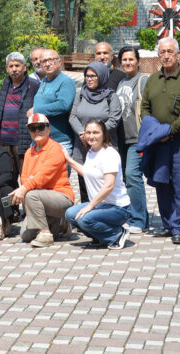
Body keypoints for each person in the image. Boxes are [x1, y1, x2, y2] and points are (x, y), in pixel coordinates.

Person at [140, 37, 180, 244]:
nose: (166, 55)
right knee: (162, 182)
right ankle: (168, 224)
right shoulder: (152, 79)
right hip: (159, 140)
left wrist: (171, 131)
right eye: (162, 52)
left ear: (178, 54)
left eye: (170, 52)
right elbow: (145, 107)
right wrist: (154, 130)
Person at [63, 119, 132, 249]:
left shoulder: (109, 154)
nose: (91, 136)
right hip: (101, 205)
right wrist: (68, 160)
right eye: (88, 132)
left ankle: (117, 235)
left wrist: (90, 206)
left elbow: (109, 185)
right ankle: (99, 236)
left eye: (96, 132)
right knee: (70, 214)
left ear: (104, 134)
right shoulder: (92, 152)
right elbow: (87, 172)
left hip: (118, 208)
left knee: (84, 218)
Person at [10, 113, 74, 247]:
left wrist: (27, 185)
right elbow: (24, 177)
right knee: (26, 235)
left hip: (61, 196)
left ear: (49, 129)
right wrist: (28, 183)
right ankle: (59, 225)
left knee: (31, 194)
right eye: (33, 128)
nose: (37, 131)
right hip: (40, 198)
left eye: (41, 127)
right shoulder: (29, 152)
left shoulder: (56, 149)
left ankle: (45, 233)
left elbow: (43, 176)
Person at [69, 61, 122, 202]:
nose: (89, 79)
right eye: (87, 75)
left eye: (93, 76)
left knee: (103, 183)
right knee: (84, 182)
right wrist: (83, 133)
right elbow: (73, 116)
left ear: (102, 77)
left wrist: (95, 134)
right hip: (82, 146)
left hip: (103, 147)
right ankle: (85, 214)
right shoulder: (80, 95)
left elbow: (114, 119)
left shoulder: (111, 96)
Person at [115, 46, 149, 233]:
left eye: (131, 59)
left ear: (138, 61)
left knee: (132, 176)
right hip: (123, 138)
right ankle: (135, 216)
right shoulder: (121, 82)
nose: (128, 63)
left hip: (138, 138)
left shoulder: (143, 81)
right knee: (127, 178)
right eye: (125, 60)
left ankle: (139, 220)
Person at [0, 52, 39, 174]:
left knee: (26, 177)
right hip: (5, 141)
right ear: (7, 69)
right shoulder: (5, 85)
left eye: (17, 66)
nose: (14, 69)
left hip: (23, 140)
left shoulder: (33, 85)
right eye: (11, 66)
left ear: (24, 67)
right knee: (8, 177)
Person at [31, 49, 77, 159]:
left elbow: (64, 105)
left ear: (59, 61)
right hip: (40, 139)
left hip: (59, 140)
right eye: (44, 61)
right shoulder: (44, 81)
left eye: (51, 60)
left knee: (57, 175)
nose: (47, 64)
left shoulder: (65, 81)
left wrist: (36, 110)